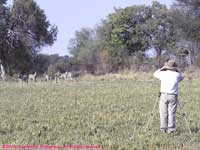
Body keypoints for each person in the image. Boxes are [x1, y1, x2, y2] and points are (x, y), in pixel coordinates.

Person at [153, 59, 183, 133]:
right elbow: (181, 77)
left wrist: (162, 68)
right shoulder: (177, 75)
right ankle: (171, 129)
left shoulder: (163, 73)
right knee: (172, 113)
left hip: (164, 95)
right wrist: (177, 70)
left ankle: (163, 129)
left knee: (163, 112)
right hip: (173, 95)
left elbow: (155, 74)